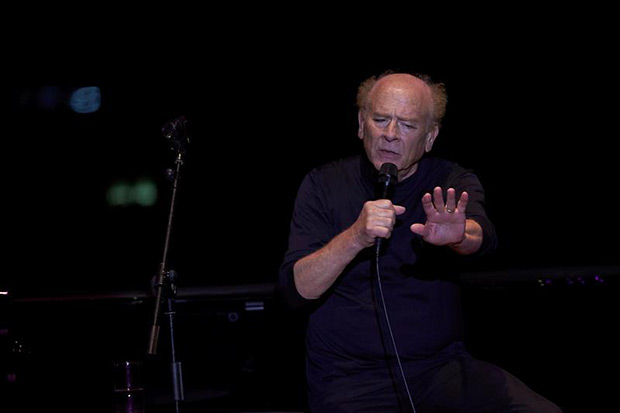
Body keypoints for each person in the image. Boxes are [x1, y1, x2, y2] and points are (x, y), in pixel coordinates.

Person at [278, 71, 562, 412]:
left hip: (439, 370)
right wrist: (355, 237)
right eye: (380, 119)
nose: (390, 134)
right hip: (348, 379)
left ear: (430, 137)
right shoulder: (323, 184)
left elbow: (480, 235)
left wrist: (459, 236)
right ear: (360, 123)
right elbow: (297, 290)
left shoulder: (450, 180)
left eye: (408, 125)